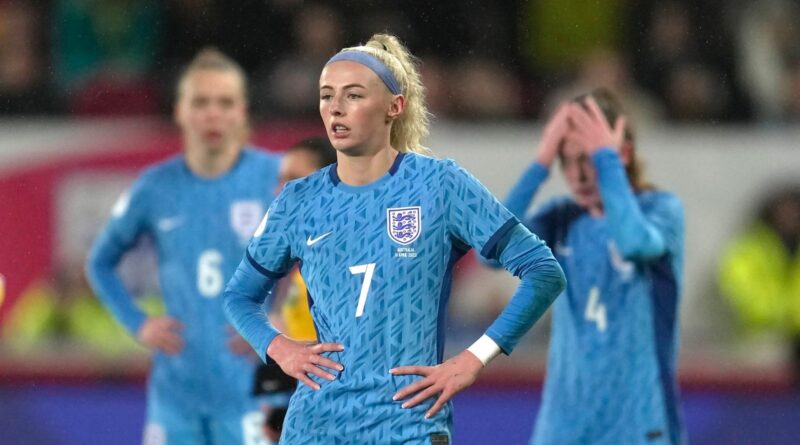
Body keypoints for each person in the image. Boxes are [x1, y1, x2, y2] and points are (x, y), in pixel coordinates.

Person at [223, 33, 566, 444]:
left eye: (353, 95)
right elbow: (239, 297)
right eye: (326, 95)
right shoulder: (298, 200)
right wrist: (279, 348)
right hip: (315, 426)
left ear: (394, 106)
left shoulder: (440, 185)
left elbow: (544, 272)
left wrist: (474, 359)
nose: (335, 107)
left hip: (407, 424)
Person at [86, 48, 280, 445]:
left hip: (253, 389)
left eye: (224, 103)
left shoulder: (276, 178)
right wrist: (137, 322)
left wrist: (275, 324)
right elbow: (100, 262)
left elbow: (323, 259)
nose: (213, 114)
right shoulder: (155, 187)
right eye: (201, 102)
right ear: (180, 111)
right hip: (177, 393)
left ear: (242, 112)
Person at [493, 89, 685, 444]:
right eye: (566, 161)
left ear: (622, 154)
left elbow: (634, 243)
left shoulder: (660, 211)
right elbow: (490, 255)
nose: (577, 176)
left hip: (640, 421)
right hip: (564, 424)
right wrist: (538, 165)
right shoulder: (560, 219)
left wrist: (608, 162)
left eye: (589, 160)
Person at [252, 137, 337, 442]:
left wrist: (281, 406)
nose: (280, 191)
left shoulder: (341, 265)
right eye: (280, 179)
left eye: (293, 179)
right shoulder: (294, 263)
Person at [718, 186, 800, 383]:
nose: (790, 217)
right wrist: (786, 318)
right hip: (762, 337)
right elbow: (748, 300)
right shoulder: (748, 250)